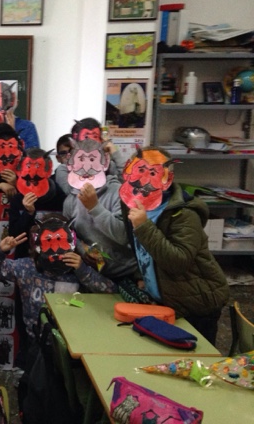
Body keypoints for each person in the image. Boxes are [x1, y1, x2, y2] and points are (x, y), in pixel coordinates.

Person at [121, 147, 229, 345]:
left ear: (166, 179)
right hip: (165, 301)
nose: (143, 180)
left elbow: (178, 262)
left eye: (153, 173)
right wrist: (142, 275)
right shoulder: (131, 203)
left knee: (195, 357)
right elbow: (140, 248)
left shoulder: (183, 213)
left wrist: (144, 226)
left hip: (196, 304)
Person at [62, 138, 138, 281]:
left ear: (104, 163)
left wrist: (94, 207)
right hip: (91, 273)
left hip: (126, 273)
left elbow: (123, 236)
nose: (86, 167)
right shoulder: (70, 200)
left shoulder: (118, 193)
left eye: (92, 160)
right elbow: (69, 234)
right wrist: (83, 249)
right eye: (81, 160)